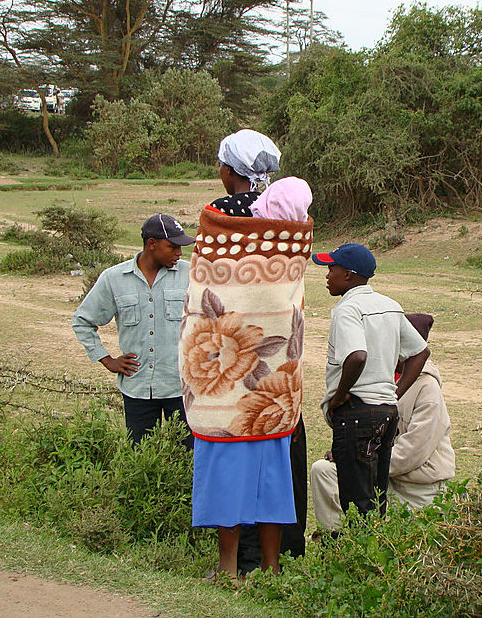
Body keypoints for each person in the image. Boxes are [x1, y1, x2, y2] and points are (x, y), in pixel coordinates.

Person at [187, 129, 307, 579]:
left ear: (227, 170)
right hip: (273, 379)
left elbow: (205, 290)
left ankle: (228, 566)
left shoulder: (216, 217)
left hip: (223, 377)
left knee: (225, 471)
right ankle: (273, 568)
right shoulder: (289, 219)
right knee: (271, 475)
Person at [311, 244, 430, 519]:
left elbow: (356, 356)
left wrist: (339, 396)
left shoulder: (347, 309)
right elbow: (420, 352)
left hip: (357, 414)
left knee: (356, 504)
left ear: (349, 275)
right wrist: (394, 393)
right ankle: (376, 554)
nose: (327, 275)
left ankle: (358, 558)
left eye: (332, 269)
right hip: (387, 413)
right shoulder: (390, 306)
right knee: (376, 497)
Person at [310, 313, 455, 530]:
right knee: (323, 471)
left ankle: (361, 543)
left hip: (417, 488)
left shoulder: (428, 390)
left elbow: (411, 453)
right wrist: (348, 454)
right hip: (380, 476)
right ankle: (338, 545)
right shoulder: (378, 375)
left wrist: (358, 460)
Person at [72, 213, 195, 448]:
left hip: (180, 388)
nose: (179, 253)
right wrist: (106, 359)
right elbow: (82, 321)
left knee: (187, 456)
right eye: (173, 247)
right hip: (137, 389)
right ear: (152, 245)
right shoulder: (114, 278)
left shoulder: (191, 275)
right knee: (140, 455)